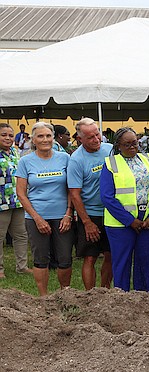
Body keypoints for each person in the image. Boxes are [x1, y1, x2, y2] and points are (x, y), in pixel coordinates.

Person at [100, 127, 149, 292]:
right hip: (121, 223)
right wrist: (130, 221)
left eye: (134, 143)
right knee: (122, 262)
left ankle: (147, 297)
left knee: (146, 261)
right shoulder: (111, 164)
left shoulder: (148, 160)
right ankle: (122, 298)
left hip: (147, 220)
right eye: (127, 144)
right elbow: (107, 197)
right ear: (118, 146)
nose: (132, 147)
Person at [15, 122, 73, 296]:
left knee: (64, 258)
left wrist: (69, 214)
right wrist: (37, 218)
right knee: (41, 259)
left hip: (62, 216)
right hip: (35, 217)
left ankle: (65, 294)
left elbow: (72, 188)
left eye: (48, 135)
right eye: (40, 136)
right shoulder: (25, 161)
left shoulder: (65, 158)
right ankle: (44, 298)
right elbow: (21, 193)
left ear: (53, 138)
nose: (45, 139)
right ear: (33, 139)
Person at [67, 118, 113, 290]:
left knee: (110, 255)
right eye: (91, 137)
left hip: (111, 212)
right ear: (80, 139)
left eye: (97, 134)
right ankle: (90, 295)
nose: (96, 139)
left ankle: (106, 290)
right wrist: (87, 223)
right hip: (90, 213)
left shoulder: (110, 150)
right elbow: (75, 194)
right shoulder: (76, 160)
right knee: (90, 257)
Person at [0, 123, 30, 278]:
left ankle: (22, 267)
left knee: (21, 235)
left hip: (17, 200)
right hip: (1, 203)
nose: (8, 138)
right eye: (4, 135)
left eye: (10, 135)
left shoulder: (15, 152)